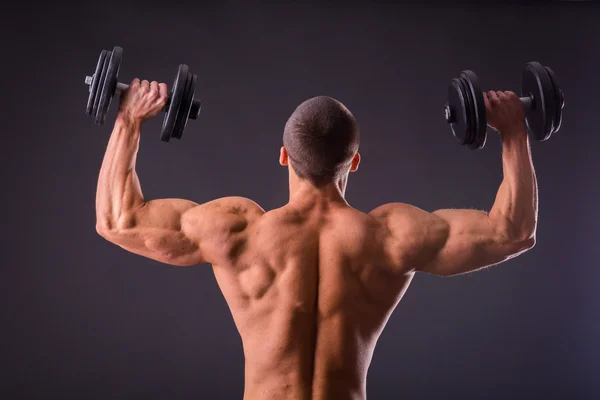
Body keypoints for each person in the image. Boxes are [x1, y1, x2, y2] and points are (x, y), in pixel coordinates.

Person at [95, 78, 537, 400]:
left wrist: (129, 119)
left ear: (284, 156)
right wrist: (514, 131)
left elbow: (119, 220)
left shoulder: (238, 232)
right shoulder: (392, 238)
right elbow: (512, 231)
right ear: (355, 162)